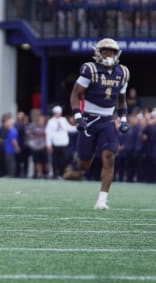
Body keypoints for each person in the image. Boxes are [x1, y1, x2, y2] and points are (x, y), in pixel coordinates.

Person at [65, 38, 130, 210]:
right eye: (105, 50)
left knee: (109, 157)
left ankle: (102, 201)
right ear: (98, 52)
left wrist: (123, 119)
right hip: (89, 120)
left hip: (108, 121)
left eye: (112, 51)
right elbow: (75, 95)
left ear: (117, 54)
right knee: (84, 164)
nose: (108, 54)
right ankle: (76, 165)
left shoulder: (122, 72)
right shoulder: (90, 69)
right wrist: (78, 117)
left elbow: (122, 101)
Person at [45, 105, 77, 179]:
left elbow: (69, 129)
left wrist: (78, 127)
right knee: (55, 160)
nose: (58, 114)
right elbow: (48, 133)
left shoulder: (63, 120)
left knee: (64, 160)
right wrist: (48, 144)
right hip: (55, 144)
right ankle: (55, 174)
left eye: (59, 112)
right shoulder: (51, 121)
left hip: (64, 144)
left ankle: (62, 174)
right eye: (56, 112)